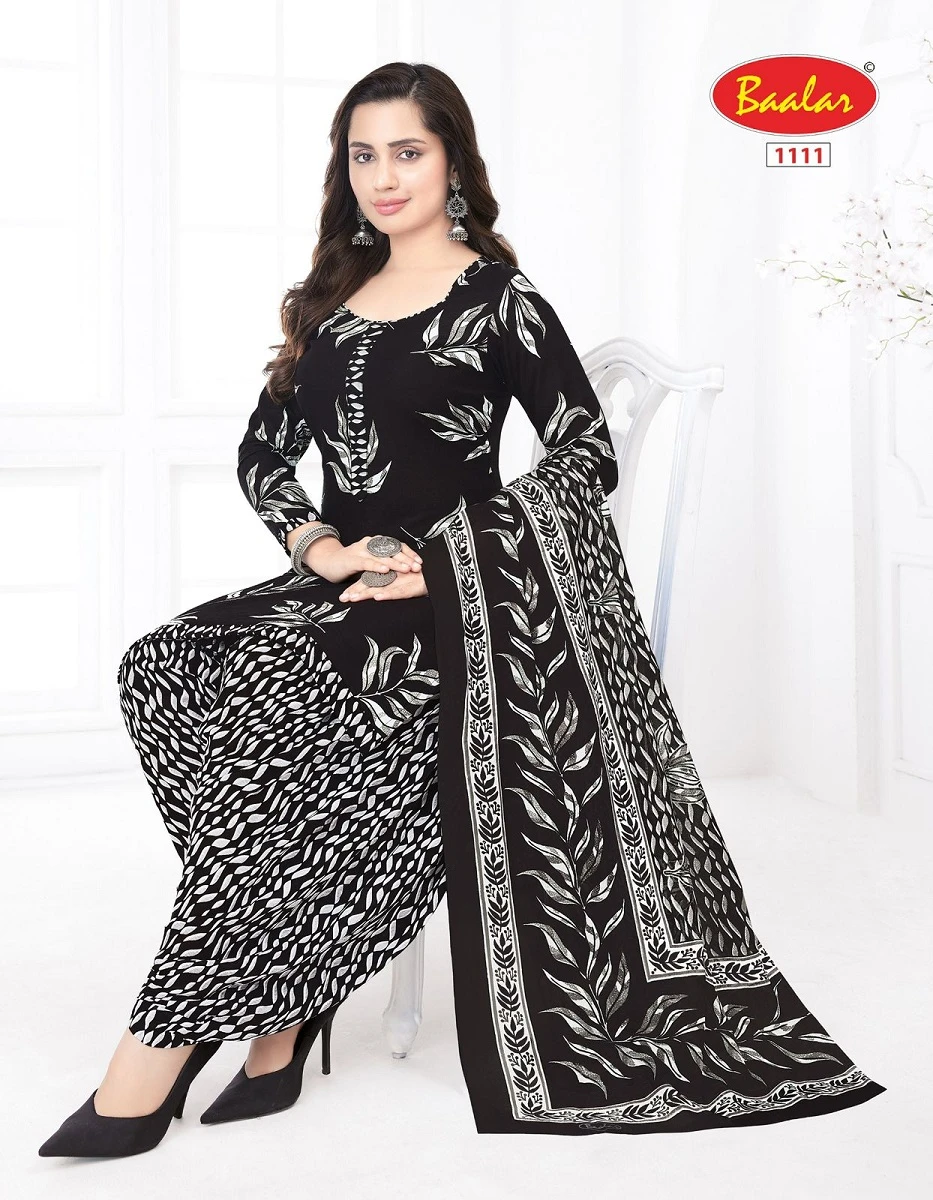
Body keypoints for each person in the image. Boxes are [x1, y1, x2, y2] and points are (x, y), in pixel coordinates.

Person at [39, 62, 885, 1158]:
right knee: (162, 667)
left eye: (408, 151)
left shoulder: (499, 301)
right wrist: (323, 547)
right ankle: (283, 989)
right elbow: (263, 453)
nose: (383, 176)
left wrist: (441, 566)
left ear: (453, 164)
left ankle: (164, 1043)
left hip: (459, 602)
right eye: (363, 155)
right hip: (343, 585)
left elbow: (582, 452)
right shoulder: (331, 299)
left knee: (276, 695)